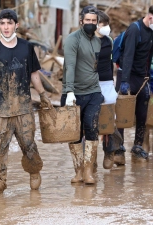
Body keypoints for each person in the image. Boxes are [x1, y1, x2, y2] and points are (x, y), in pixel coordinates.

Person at [0, 9, 53, 195]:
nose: (6, 27)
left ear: (16, 25)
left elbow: (34, 74)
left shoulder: (26, 47)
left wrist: (43, 94)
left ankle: (34, 170)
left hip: (23, 107)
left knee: (29, 144)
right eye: (3, 23)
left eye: (9, 23)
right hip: (0, 109)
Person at [62, 6, 103, 184]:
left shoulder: (98, 41)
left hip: (94, 91)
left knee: (92, 127)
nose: (91, 24)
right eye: (88, 21)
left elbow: (97, 65)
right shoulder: (72, 40)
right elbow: (69, 66)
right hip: (74, 93)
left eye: (94, 21)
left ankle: (88, 171)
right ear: (81, 21)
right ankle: (78, 170)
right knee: (74, 134)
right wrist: (69, 90)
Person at [115, 6, 153, 163]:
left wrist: (147, 78)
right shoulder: (135, 29)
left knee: (142, 113)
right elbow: (128, 55)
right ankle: (118, 149)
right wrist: (124, 81)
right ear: (150, 17)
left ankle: (137, 146)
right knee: (123, 113)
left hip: (142, 78)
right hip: (127, 76)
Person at [94, 11, 121, 170]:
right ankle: (90, 159)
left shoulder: (109, 41)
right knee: (90, 121)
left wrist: (115, 81)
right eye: (102, 25)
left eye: (106, 24)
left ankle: (110, 151)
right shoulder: (87, 41)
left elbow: (113, 62)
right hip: (90, 83)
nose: (105, 28)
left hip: (106, 82)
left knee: (110, 118)